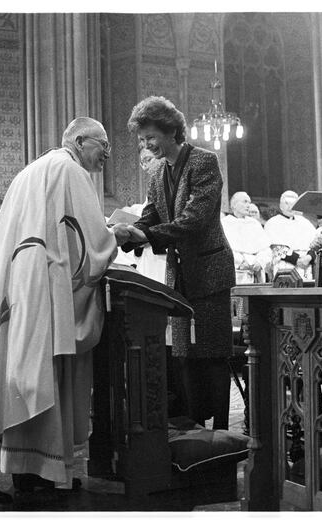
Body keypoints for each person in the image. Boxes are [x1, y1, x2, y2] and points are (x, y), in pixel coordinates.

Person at [0, 117, 125, 504]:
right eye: (101, 145)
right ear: (78, 140)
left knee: (8, 375)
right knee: (36, 377)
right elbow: (90, 241)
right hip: (43, 295)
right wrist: (117, 235)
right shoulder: (70, 170)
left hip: (17, 288)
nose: (106, 154)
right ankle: (23, 473)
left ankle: (17, 473)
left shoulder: (34, 169)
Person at [122, 95, 236, 430]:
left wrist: (145, 236)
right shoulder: (158, 172)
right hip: (180, 274)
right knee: (184, 353)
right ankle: (193, 426)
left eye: (151, 137)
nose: (146, 145)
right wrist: (128, 231)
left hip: (209, 270)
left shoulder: (203, 162)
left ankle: (221, 429)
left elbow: (195, 219)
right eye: (142, 140)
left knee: (212, 353)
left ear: (172, 131)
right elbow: (150, 215)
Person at [264, 190, 317, 281]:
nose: (290, 207)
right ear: (281, 206)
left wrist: (309, 257)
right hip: (285, 265)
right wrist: (297, 260)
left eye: (293, 204)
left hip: (306, 265)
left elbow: (315, 244)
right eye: (287, 203)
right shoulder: (272, 223)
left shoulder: (305, 222)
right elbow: (276, 247)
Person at [221, 191, 271, 284]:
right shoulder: (224, 223)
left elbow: (266, 249)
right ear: (234, 205)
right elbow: (224, 249)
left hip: (256, 272)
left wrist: (260, 262)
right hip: (236, 272)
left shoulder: (254, 224)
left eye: (249, 202)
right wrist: (241, 262)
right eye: (245, 202)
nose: (248, 205)